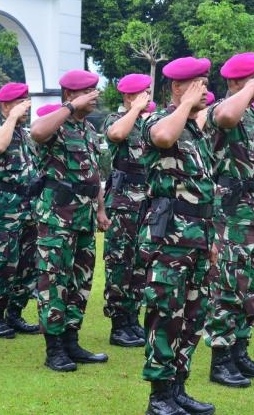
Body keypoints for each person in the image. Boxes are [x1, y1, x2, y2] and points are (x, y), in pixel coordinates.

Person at [139, 56, 215, 415]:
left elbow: (205, 189)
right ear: (177, 87)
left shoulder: (196, 133)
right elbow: (163, 137)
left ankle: (178, 387)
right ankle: (159, 397)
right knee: (166, 313)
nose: (205, 90)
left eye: (206, 83)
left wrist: (212, 239)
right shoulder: (157, 120)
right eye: (198, 84)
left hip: (198, 236)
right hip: (169, 237)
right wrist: (185, 104)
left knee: (193, 316)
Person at [204, 52, 254, 388]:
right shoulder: (223, 109)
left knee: (253, 286)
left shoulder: (253, 115)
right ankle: (221, 359)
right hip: (235, 214)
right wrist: (247, 89)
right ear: (237, 81)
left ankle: (240, 351)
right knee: (230, 285)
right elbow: (225, 116)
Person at [30, 69, 110, 372]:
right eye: (87, 92)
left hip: (85, 216)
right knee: (54, 280)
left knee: (81, 280)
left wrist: (100, 209)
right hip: (57, 217)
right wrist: (69, 107)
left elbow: (94, 173)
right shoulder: (55, 123)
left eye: (94, 90)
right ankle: (54, 349)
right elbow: (37, 132)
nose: (94, 96)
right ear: (69, 94)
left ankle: (71, 340)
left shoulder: (88, 129)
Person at [0, 82, 40, 339]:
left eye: (26, 102)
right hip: (4, 208)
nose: (26, 107)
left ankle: (15, 313)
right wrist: (12, 117)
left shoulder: (25, 135)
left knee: (29, 264)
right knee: (4, 263)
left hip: (30, 207)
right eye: (20, 103)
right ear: (5, 105)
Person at [101, 73, 152, 349]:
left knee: (141, 263)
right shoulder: (116, 119)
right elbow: (117, 135)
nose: (148, 97)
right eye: (144, 92)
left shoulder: (147, 122)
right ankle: (119, 323)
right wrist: (135, 109)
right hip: (123, 203)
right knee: (120, 262)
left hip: (147, 202)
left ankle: (133, 318)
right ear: (130, 96)